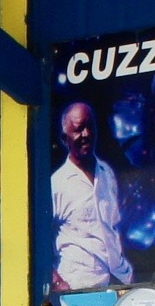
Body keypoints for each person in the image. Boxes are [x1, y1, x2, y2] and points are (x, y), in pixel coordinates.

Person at [50, 96, 130, 293]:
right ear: (64, 138)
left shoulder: (107, 173)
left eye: (89, 127)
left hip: (118, 282)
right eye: (78, 129)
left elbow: (112, 225)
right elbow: (39, 240)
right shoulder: (58, 183)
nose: (85, 134)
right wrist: (57, 280)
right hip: (79, 285)